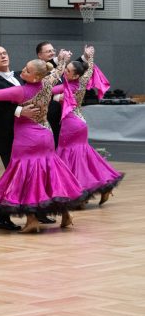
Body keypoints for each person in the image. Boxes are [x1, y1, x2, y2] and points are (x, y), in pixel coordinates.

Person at [0, 50, 88, 233]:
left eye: (27, 70)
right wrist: (62, 61)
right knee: (50, 175)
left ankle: (31, 219)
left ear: (35, 76)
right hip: (45, 135)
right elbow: (58, 74)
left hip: (27, 139)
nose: (22, 71)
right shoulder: (47, 82)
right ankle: (64, 213)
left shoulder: (20, 89)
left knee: (25, 178)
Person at [53, 46, 123, 205]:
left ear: (75, 75)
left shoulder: (67, 86)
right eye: (66, 69)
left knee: (71, 158)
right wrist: (90, 57)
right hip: (81, 122)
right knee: (84, 156)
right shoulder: (82, 81)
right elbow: (90, 69)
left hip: (70, 124)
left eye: (68, 71)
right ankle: (104, 187)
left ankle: (79, 194)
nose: (65, 72)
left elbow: (48, 89)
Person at [0, 46, 41, 230]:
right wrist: (20, 111)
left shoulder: (21, 75)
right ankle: (2, 217)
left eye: (4, 53)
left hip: (27, 137)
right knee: (14, 178)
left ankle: (36, 214)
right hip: (9, 137)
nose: (2, 56)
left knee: (28, 177)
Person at [36, 41, 63, 148]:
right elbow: (42, 90)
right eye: (48, 51)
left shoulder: (58, 68)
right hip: (48, 116)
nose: (52, 53)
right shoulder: (37, 70)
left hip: (61, 115)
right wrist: (57, 97)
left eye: (53, 50)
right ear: (40, 55)